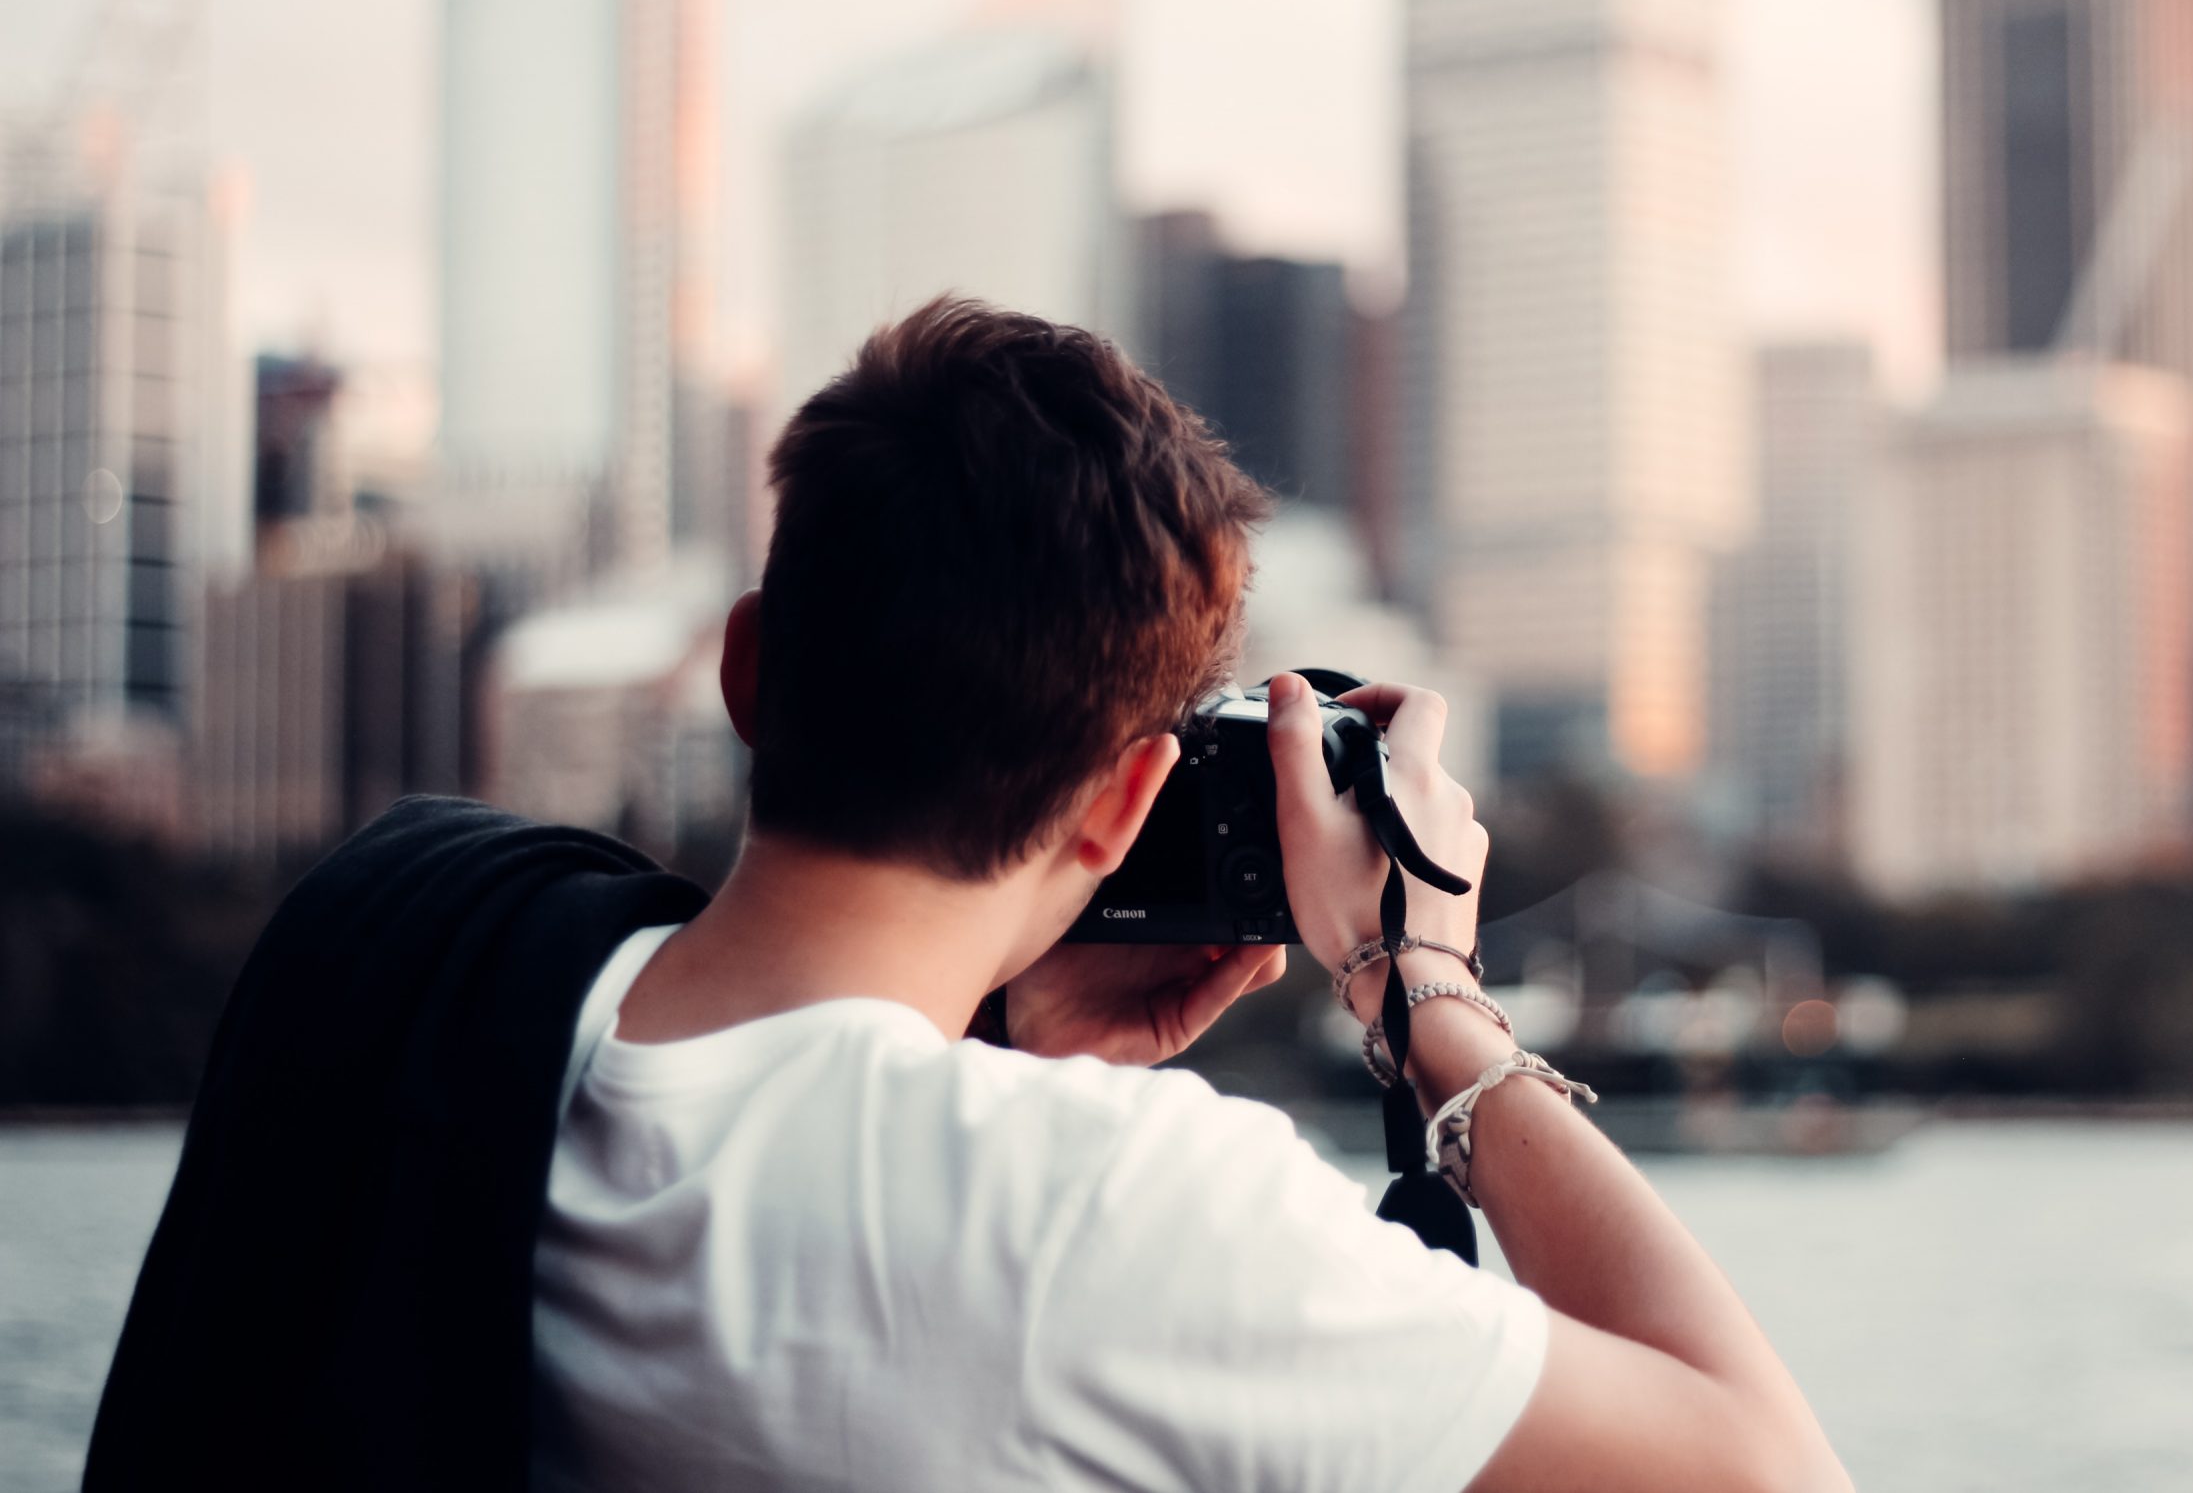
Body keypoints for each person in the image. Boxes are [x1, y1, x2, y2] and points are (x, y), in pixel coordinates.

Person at [93, 297, 1853, 1493]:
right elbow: (1764, 1469)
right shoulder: (1112, 1219)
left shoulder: (406, 950)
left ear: (747, 674)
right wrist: (1430, 1001)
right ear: (1126, 797)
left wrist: (1002, 1040)